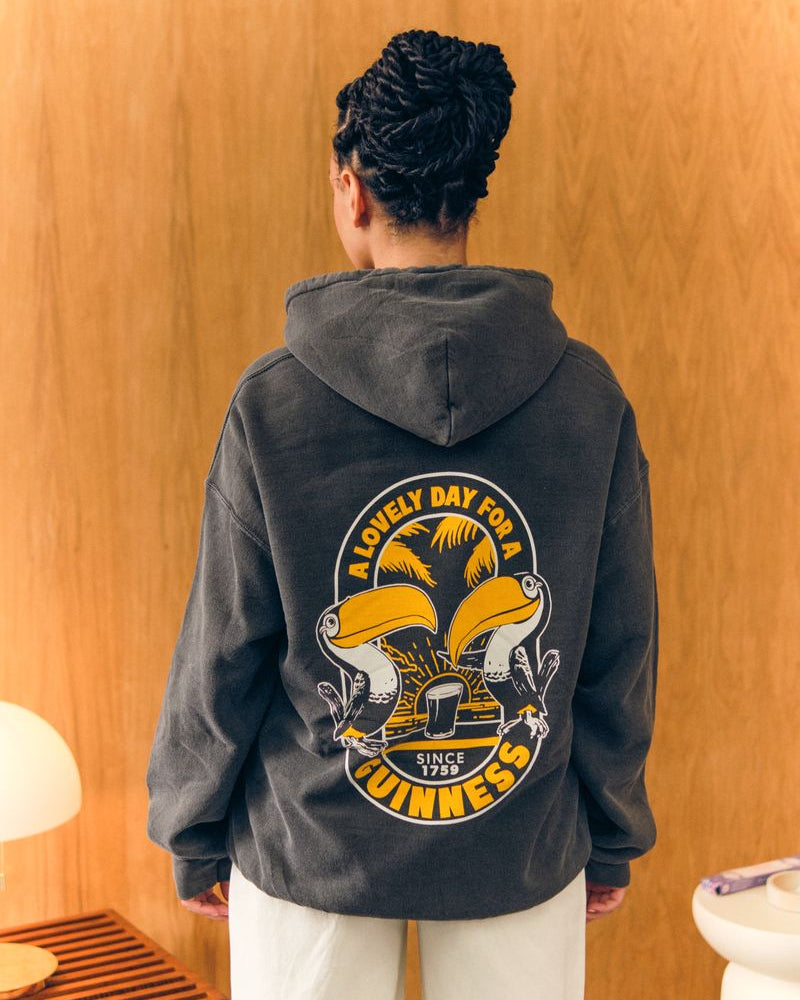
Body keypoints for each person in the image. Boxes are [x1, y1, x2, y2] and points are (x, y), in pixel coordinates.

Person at [145, 27, 658, 1000]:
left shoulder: (274, 402)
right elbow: (616, 646)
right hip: (517, 837)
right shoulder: (586, 400)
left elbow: (224, 645)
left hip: (313, 845)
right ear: (470, 195)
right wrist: (612, 826)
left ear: (353, 191)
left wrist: (191, 823)